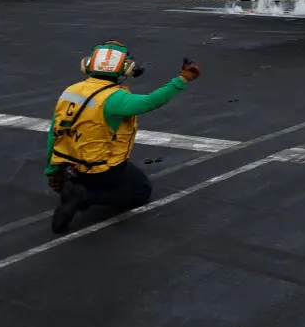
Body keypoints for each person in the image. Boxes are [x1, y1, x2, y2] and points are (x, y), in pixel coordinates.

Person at [45, 40, 202, 233]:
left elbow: (55, 133)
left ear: (88, 64)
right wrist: (182, 79)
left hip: (70, 164)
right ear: (125, 68)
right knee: (141, 190)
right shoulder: (115, 98)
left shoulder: (70, 91)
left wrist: (53, 170)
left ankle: (76, 185)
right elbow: (150, 102)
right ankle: (84, 197)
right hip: (99, 168)